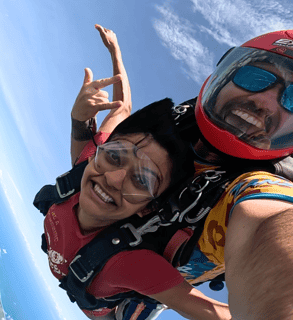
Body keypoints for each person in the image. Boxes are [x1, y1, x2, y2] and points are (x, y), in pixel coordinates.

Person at [41, 25, 232, 320]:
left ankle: (147, 303)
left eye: (142, 179)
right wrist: (115, 53)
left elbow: (214, 313)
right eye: (115, 156)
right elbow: (122, 107)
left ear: (149, 208)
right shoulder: (89, 163)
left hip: (105, 312)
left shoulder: (132, 265)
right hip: (80, 281)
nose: (114, 178)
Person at [174, 29, 293, 319]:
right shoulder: (165, 131)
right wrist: (81, 124)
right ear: (224, 76)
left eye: (292, 100)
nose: (265, 102)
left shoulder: (259, 188)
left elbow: (270, 222)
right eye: (255, 78)